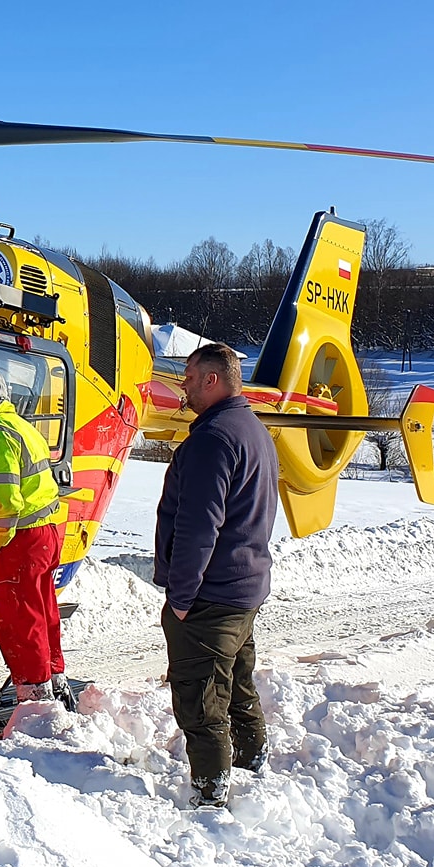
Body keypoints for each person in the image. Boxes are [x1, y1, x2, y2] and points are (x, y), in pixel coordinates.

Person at [153, 342, 278, 807]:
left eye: (188, 376)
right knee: (238, 685)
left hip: (211, 596)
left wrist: (182, 596)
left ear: (212, 379)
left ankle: (210, 797)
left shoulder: (212, 440)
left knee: (201, 700)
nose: (182, 385)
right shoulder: (253, 430)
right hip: (243, 588)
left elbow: (197, 527)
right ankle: (252, 763)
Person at [0, 370, 74, 716]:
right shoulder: (21, 425)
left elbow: (6, 502)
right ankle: (54, 677)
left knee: (19, 616)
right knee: (43, 609)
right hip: (48, 530)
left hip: (21, 538)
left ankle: (35, 698)